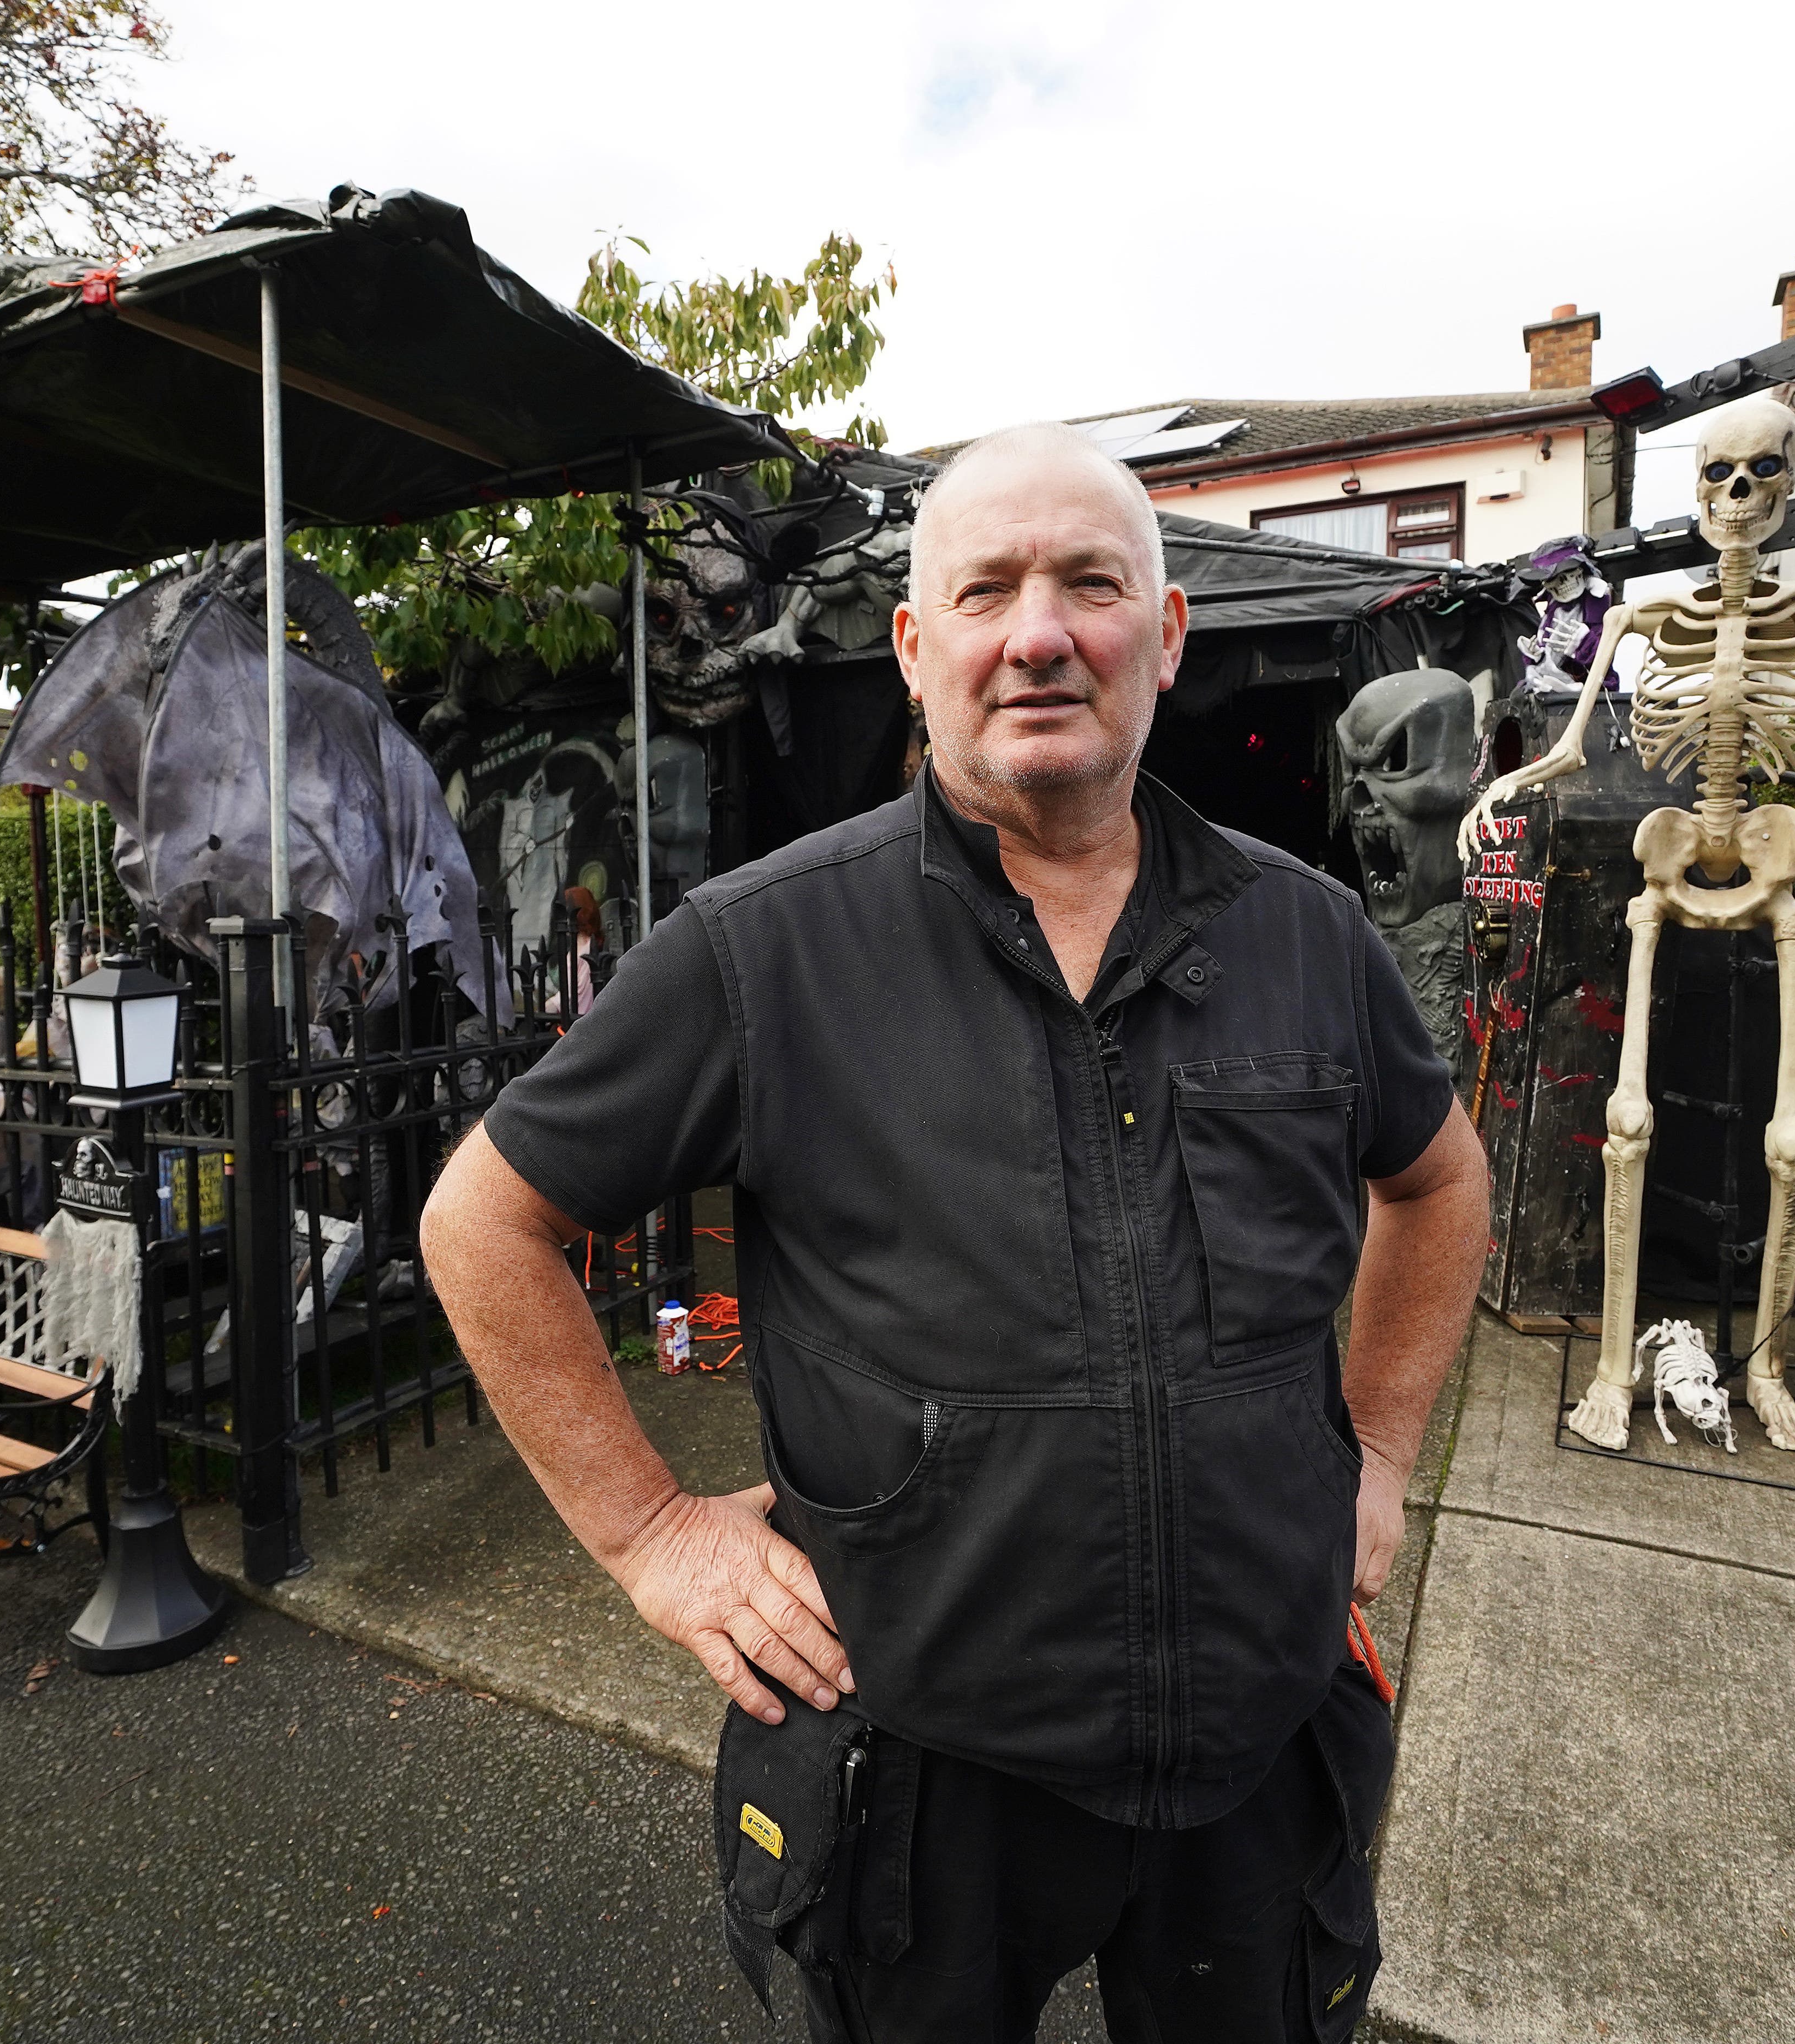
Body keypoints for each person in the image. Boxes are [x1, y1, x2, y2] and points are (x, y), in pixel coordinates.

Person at [421, 422, 1487, 2042]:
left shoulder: (1307, 933)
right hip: (919, 1765)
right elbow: (482, 1222)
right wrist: (649, 1534)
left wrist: (1383, 1461)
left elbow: (1439, 1181)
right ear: (918, 651)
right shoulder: (760, 952)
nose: (1041, 632)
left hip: (1258, 1748)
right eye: (986, 591)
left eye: (1090, 585)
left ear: (1169, 634)